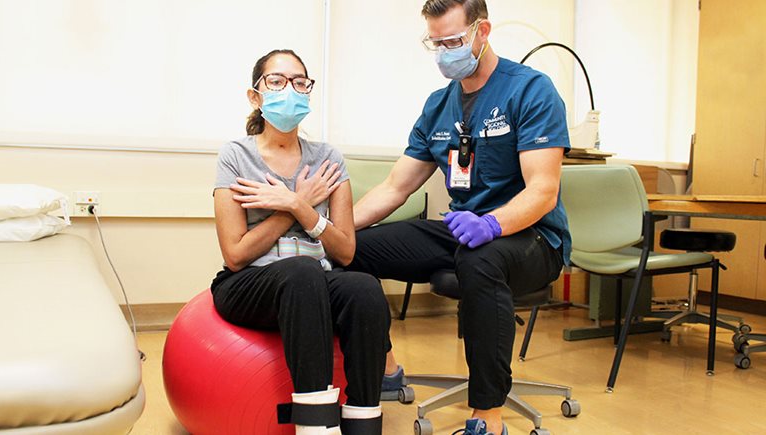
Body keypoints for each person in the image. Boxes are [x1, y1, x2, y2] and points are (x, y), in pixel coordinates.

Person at [347, 1, 571, 434]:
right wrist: (330, 230)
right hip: (464, 232)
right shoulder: (438, 106)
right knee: (351, 249)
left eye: (453, 41)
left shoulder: (531, 90)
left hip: (532, 239)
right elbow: (396, 187)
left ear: (482, 30)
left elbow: (543, 192)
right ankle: (387, 367)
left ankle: (487, 415)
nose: (445, 51)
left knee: (480, 259)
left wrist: (491, 224)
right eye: (437, 43)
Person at [211, 49, 389, 435]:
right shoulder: (235, 156)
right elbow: (236, 254)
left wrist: (296, 204)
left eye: (299, 82)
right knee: (301, 272)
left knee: (364, 287)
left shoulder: (327, 158)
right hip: (250, 285)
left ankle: (363, 419)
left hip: (314, 281)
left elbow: (345, 251)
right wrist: (294, 208)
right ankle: (316, 428)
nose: (289, 90)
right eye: (276, 81)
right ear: (255, 96)